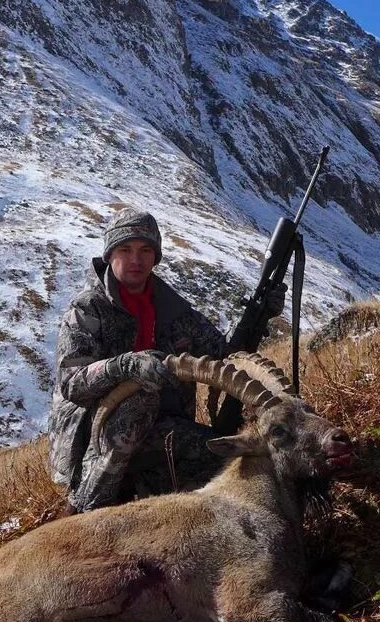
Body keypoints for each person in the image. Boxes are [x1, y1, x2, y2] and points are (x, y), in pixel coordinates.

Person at [48, 211, 285, 513]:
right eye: (125, 250)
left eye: (145, 250)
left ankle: (148, 489)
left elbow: (224, 354)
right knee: (141, 397)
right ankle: (86, 510)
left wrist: (261, 316)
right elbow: (73, 384)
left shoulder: (172, 308)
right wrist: (124, 365)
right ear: (109, 255)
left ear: (155, 257)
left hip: (161, 428)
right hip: (90, 438)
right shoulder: (87, 308)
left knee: (222, 458)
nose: (136, 259)